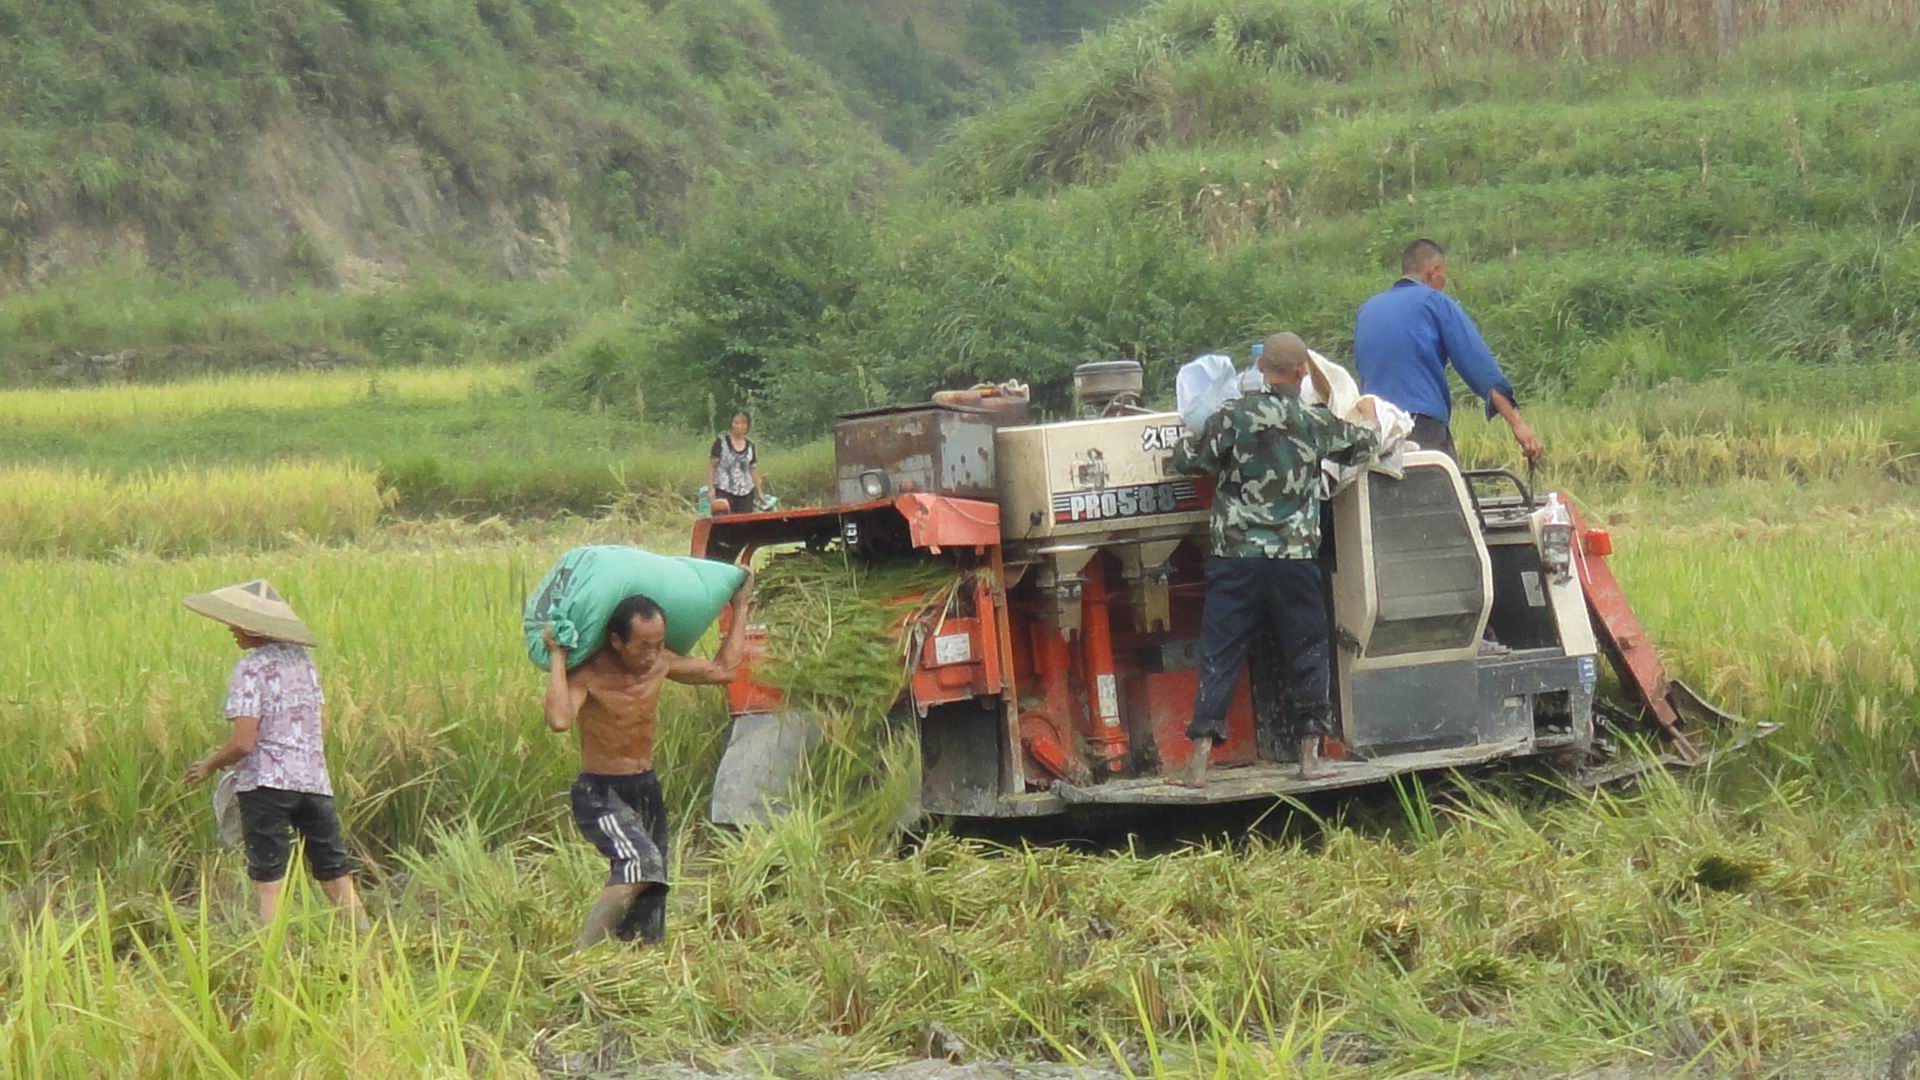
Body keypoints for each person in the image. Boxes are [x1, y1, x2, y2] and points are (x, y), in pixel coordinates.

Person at [1172, 334, 1379, 789]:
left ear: (1261, 366)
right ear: (1303, 373)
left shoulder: (1231, 417)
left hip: (1236, 559)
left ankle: (1198, 764)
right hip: (1294, 560)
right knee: (1306, 649)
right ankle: (1309, 756)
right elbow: (1364, 445)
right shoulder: (1312, 421)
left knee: (1221, 653)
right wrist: (1368, 417)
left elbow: (1185, 459)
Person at [541, 575, 754, 947]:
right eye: (642, 646)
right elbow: (559, 720)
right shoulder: (590, 673)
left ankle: (638, 960)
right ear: (616, 641)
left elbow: (724, 671)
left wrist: (740, 608)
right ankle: (581, 958)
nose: (652, 654)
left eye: (658, 645)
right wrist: (558, 656)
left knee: (652, 890)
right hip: (600, 792)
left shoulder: (661, 664)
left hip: (646, 788)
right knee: (638, 865)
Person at [180, 580, 367, 929]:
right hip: (314, 781)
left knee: (269, 880)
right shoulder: (304, 663)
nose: (232, 631)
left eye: (237, 623)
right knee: (335, 871)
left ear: (256, 628)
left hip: (266, 784)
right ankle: (369, 947)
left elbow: (243, 743)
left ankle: (270, 958)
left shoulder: (250, 669)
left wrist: (208, 766)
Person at [1353, 238, 1542, 463]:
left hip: (1373, 431)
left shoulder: (1368, 310)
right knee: (1442, 495)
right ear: (1433, 272)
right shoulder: (1434, 301)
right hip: (1420, 426)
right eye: (1444, 276)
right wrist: (1518, 425)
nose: (1444, 284)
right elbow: (1480, 368)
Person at [707, 411, 765, 515]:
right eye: (736, 423)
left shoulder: (751, 445)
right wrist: (711, 488)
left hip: (746, 492)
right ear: (731, 424)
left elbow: (753, 469)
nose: (740, 426)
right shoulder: (721, 442)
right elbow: (712, 466)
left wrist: (760, 492)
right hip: (724, 489)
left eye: (743, 423)